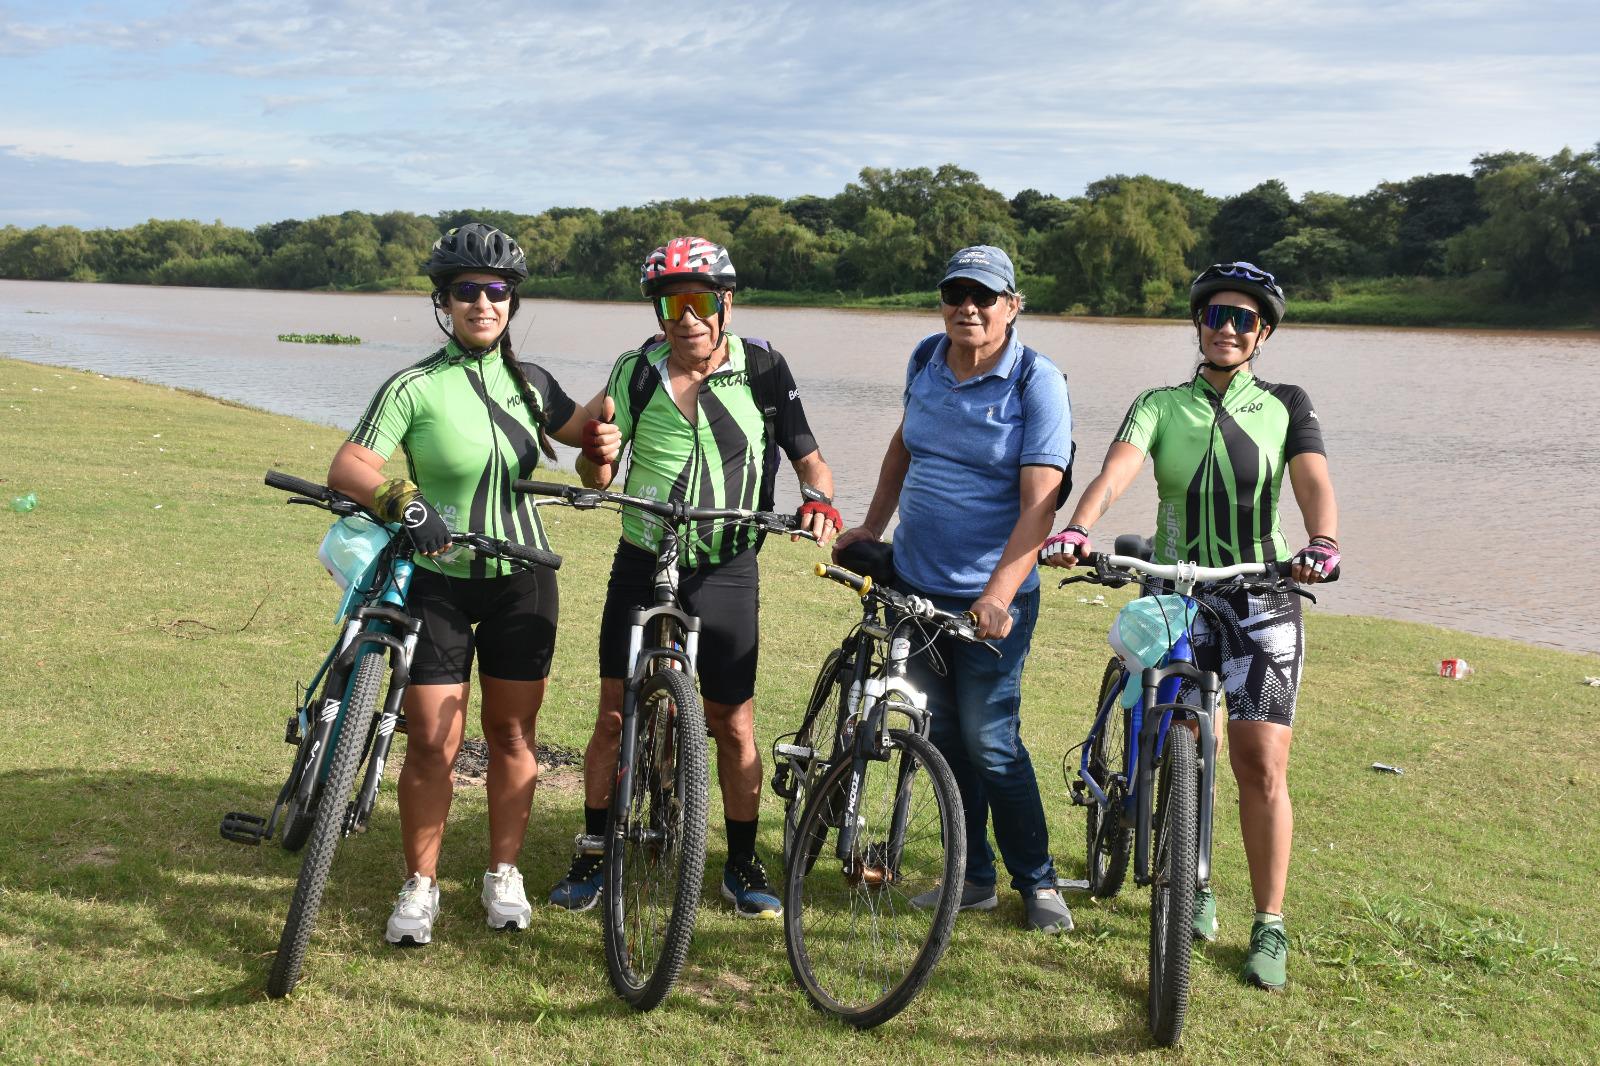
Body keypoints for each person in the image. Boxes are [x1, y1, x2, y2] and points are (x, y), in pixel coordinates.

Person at [1040, 260, 1340, 990]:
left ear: (1262, 333)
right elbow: (1118, 470)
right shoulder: (1159, 403)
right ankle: (1189, 876)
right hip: (1175, 589)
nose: (1228, 329)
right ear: (1198, 325)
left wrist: (1322, 543)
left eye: (1244, 319)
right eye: (1216, 315)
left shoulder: (1286, 404)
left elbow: (1312, 482)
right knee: (1168, 734)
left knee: (1260, 764)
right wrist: (1078, 526)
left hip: (1261, 594)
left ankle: (1268, 923)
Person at [548, 236, 841, 919]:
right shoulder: (636, 372)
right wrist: (595, 456)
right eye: (671, 304)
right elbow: (595, 472)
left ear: (725, 305)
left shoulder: (764, 368)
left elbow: (811, 461)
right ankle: (593, 850)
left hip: (728, 559)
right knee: (615, 714)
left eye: (699, 302)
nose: (686, 318)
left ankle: (741, 861)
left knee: (732, 724)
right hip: (643, 556)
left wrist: (820, 501)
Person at [327, 223, 597, 946]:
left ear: (513, 300)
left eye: (497, 291)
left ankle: (501, 874)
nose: (483, 303)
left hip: (524, 580)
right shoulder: (415, 384)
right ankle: (420, 886)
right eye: (466, 291)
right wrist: (403, 504)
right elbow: (350, 466)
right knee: (432, 744)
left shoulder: (532, 384)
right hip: (438, 580)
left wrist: (641, 391)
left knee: (512, 734)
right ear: (443, 302)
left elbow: (591, 436)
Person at [831, 245, 1075, 933]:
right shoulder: (925, 358)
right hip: (917, 585)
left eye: (985, 296)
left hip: (990, 600)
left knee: (992, 741)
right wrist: (871, 529)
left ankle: (1037, 880)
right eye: (956, 293)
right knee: (945, 740)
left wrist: (997, 595)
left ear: (1012, 306)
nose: (968, 307)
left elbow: (1040, 505)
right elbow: (904, 445)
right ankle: (972, 877)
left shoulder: (1036, 381)